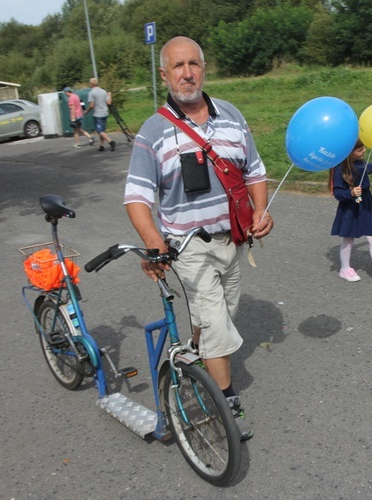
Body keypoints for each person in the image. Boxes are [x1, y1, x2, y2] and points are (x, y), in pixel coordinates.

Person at [123, 36, 274, 440]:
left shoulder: (232, 115)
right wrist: (154, 240)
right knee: (213, 319)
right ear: (164, 74)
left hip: (232, 242)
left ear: (204, 69)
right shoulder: (152, 132)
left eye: (193, 64)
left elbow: (255, 171)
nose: (187, 73)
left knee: (220, 315)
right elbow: (136, 196)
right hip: (187, 248)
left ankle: (191, 354)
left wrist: (260, 212)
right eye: (177, 66)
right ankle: (224, 401)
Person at [330, 139, 372, 285]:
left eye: (364, 148)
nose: (364, 151)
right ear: (349, 153)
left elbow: (366, 169)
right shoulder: (340, 168)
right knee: (348, 238)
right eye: (360, 150)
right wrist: (351, 193)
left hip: (366, 203)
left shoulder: (360, 162)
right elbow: (337, 193)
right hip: (350, 206)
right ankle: (344, 268)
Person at [85, 78, 116, 152]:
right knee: (102, 130)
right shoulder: (103, 91)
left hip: (98, 113)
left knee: (99, 130)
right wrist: (109, 95)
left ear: (91, 84)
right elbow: (109, 102)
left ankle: (110, 141)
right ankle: (101, 145)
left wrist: (87, 111)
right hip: (105, 112)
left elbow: (92, 105)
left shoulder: (92, 93)